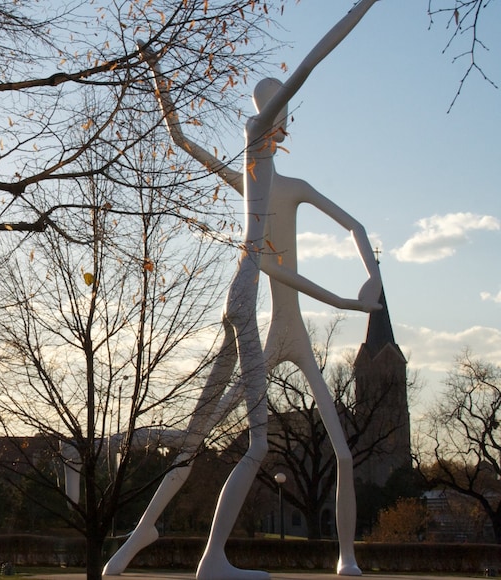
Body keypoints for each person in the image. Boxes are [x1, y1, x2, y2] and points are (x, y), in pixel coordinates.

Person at [102, 2, 382, 578]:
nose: (288, 123)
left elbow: (184, 142)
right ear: (270, 113)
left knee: (204, 437)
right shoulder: (255, 142)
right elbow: (309, 65)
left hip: (275, 316)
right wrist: (363, 10)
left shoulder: (275, 185)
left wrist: (366, 282)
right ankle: (211, 559)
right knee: (254, 443)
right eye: (285, 111)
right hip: (249, 308)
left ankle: (136, 539)